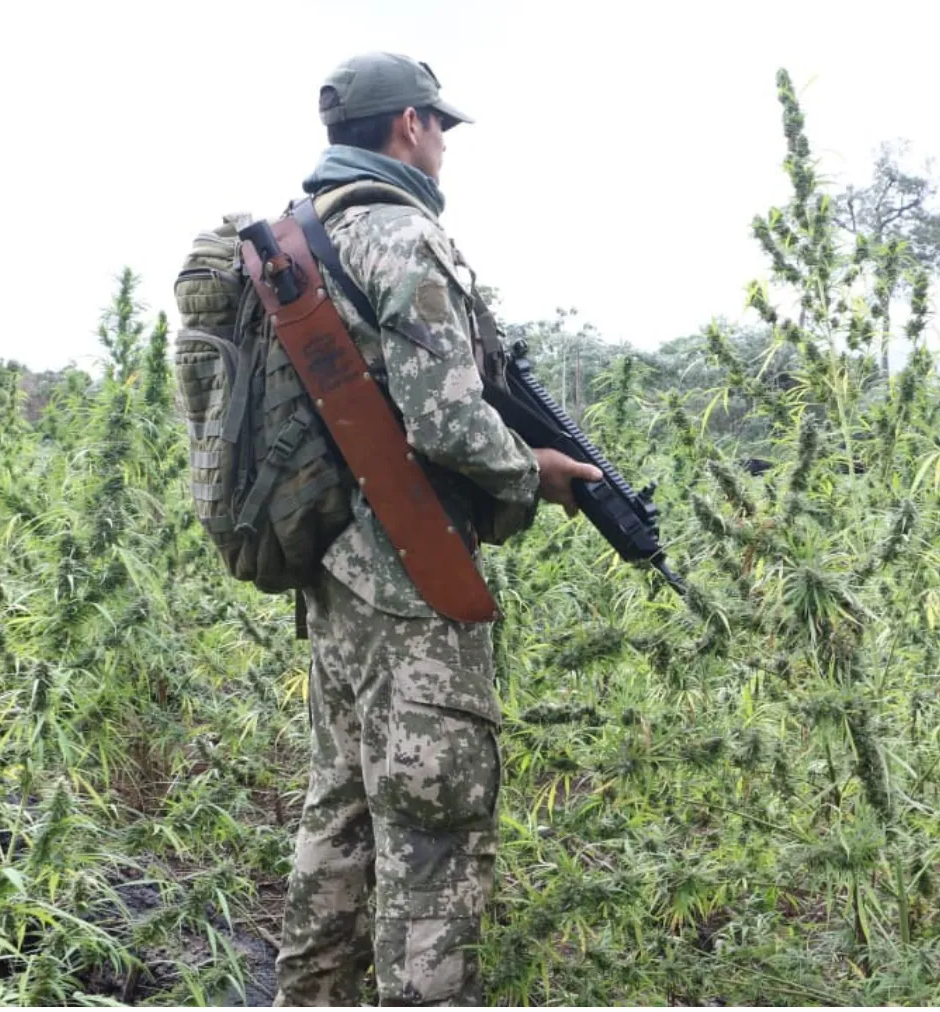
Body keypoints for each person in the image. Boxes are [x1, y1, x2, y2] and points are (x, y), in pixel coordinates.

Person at [271, 51, 602, 1006]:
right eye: (439, 126)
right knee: (432, 830)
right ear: (409, 125)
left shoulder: (301, 239)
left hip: (332, 569)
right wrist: (532, 473)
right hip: (410, 576)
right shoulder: (400, 235)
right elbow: (447, 421)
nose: (445, 145)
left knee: (339, 811)